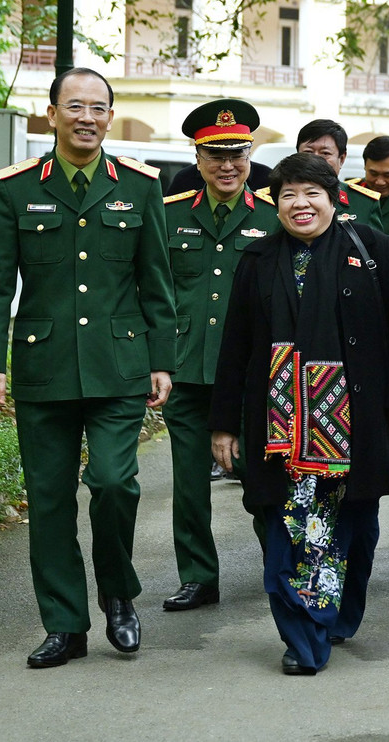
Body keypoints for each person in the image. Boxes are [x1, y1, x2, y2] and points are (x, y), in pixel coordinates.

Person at [0, 67, 175, 668]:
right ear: (52, 113)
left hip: (118, 365)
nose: (87, 117)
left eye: (98, 107)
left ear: (110, 117)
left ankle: (118, 595)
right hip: (44, 364)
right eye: (75, 106)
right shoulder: (15, 188)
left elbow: (154, 281)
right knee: (50, 499)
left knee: (113, 483)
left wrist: (161, 360)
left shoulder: (139, 187)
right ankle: (64, 624)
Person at [208, 153, 389, 675]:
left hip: (358, 420)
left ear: (332, 198)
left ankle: (337, 615)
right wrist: (222, 424)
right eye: (287, 195)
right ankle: (304, 636)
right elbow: (235, 347)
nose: (300, 204)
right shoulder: (258, 259)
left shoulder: (373, 249)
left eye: (311, 194)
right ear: (274, 203)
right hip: (280, 427)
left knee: (354, 525)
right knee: (293, 526)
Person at [159, 99, 278, 612]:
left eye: (237, 154)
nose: (227, 165)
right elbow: (151, 292)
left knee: (260, 478)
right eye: (215, 155)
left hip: (253, 377)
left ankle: (280, 567)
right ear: (197, 156)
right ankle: (198, 577)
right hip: (187, 370)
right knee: (189, 486)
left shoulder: (275, 216)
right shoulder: (167, 216)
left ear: (250, 155)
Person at [293, 119, 383, 229]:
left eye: (325, 153)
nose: (315, 159)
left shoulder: (365, 203)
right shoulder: (272, 201)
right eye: (308, 152)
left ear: (342, 158)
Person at [165, 150, 271, 196]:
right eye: (217, 158)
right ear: (198, 161)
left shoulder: (267, 178)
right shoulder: (185, 180)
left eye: (237, 157)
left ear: (248, 156)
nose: (227, 167)